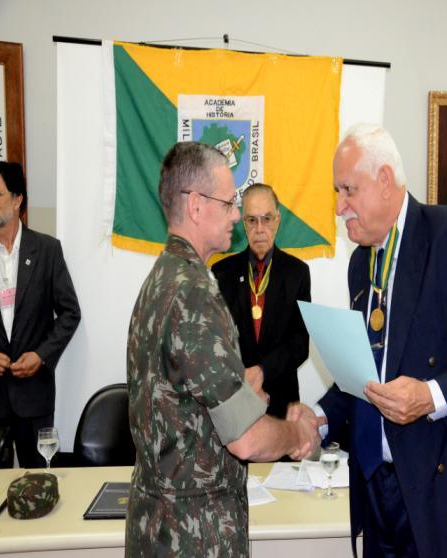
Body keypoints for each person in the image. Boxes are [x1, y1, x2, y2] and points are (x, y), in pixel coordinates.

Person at [301, 124, 447, 558]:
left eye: (348, 190)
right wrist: (319, 418)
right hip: (376, 492)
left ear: (385, 181)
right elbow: (367, 373)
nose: (338, 206)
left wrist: (431, 395)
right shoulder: (360, 264)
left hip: (439, 495)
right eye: (336, 191)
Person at [125, 142, 319, 557]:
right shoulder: (194, 293)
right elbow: (246, 439)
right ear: (196, 206)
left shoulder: (161, 279)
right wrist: (295, 431)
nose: (237, 216)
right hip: (194, 534)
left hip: (159, 524)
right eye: (230, 203)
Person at [0, 161, 81, 468]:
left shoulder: (46, 250)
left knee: (40, 484)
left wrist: (41, 356)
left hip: (34, 394)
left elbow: (70, 313)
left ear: (17, 199)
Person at [212, 183, 310, 419]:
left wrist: (262, 372)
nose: (259, 229)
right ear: (242, 222)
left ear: (277, 220)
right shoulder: (221, 272)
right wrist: (245, 383)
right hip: (234, 399)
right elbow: (216, 341)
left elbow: (300, 343)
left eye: (266, 219)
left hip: (282, 403)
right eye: (251, 220)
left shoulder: (297, 272)